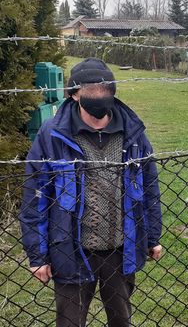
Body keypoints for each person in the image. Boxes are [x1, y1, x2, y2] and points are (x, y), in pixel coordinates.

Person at [19, 58, 163, 327]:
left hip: (120, 248)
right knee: (70, 322)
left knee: (121, 319)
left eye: (105, 89)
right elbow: (35, 196)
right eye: (91, 90)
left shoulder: (133, 133)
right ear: (74, 94)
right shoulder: (53, 135)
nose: (99, 96)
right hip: (70, 249)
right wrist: (37, 256)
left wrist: (152, 237)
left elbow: (149, 187)